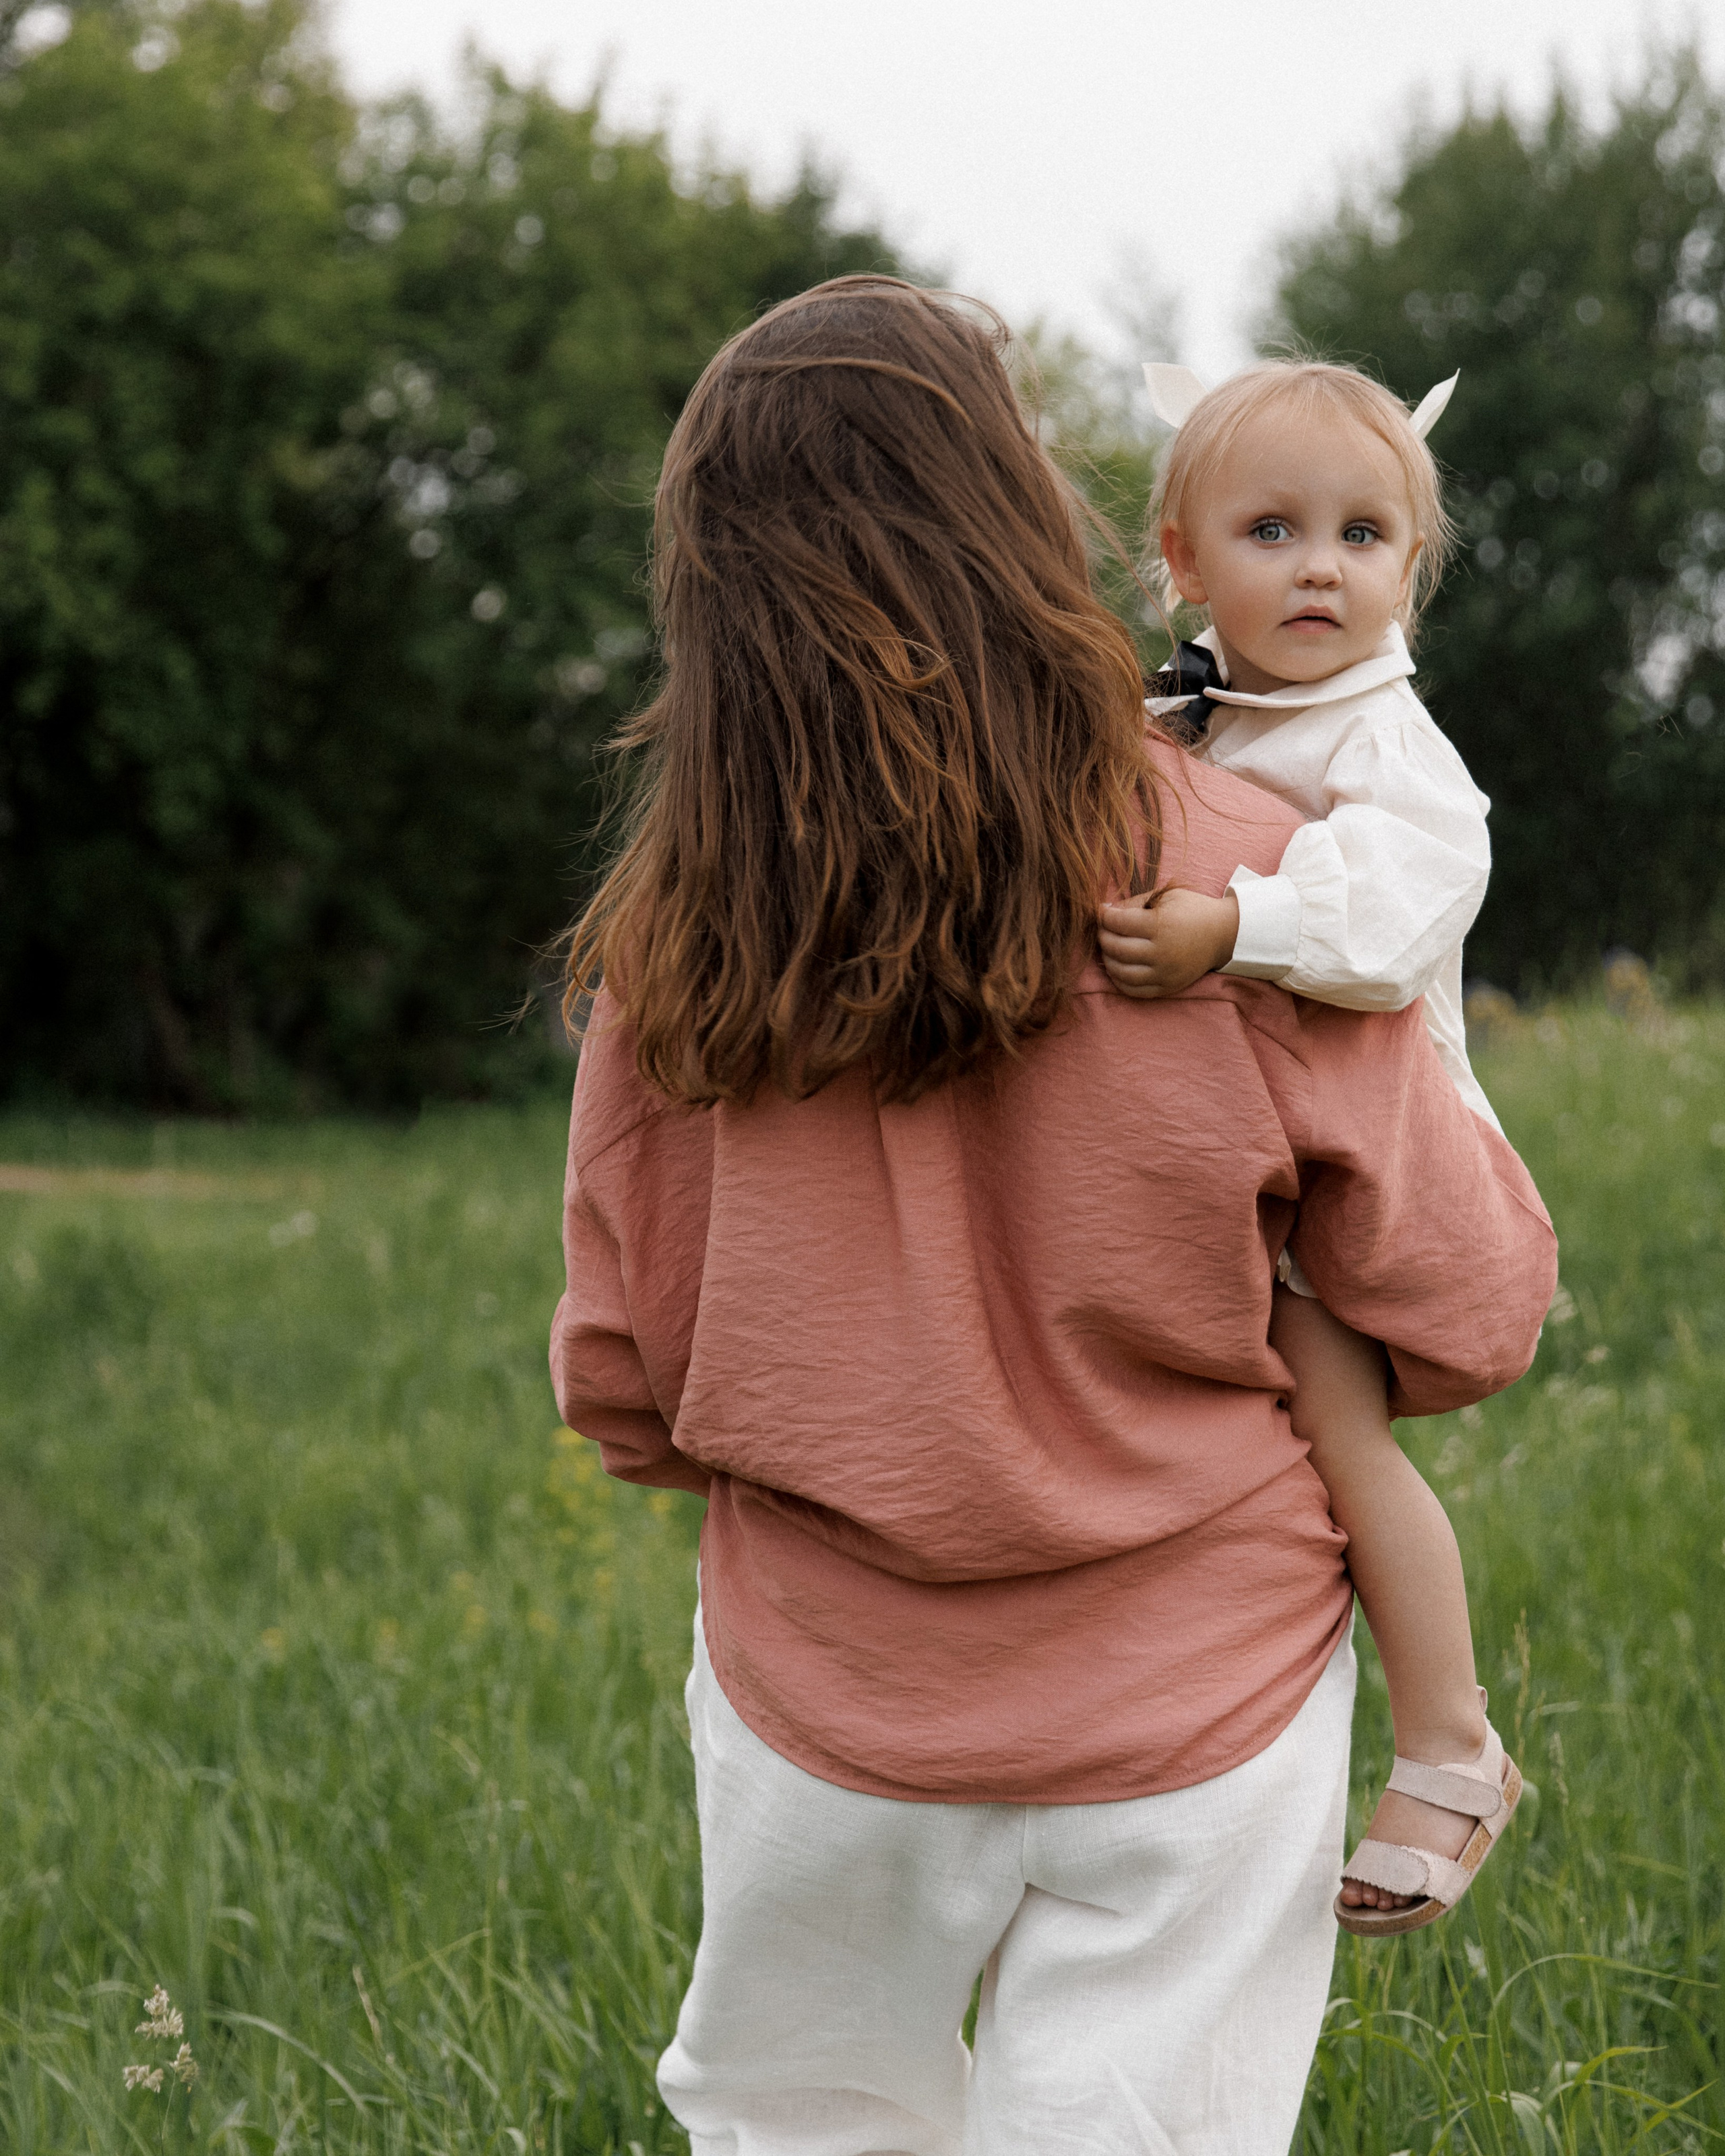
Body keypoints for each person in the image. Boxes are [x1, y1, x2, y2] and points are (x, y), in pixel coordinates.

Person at [550, 278, 1557, 2155]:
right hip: (1202, 1684)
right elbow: (1470, 1307)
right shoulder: (1249, 877)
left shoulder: (675, 941)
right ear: (1033, 522)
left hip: (824, 1697)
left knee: (800, 2120)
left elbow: (625, 1374)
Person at [1096, 358, 1524, 1935]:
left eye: (1363, 535)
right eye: (1271, 529)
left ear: (1407, 569)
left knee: (1344, 1445)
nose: (1321, 568)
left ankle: (1452, 1742)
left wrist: (1235, 923)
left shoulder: (1382, 743)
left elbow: (1397, 909)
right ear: (1183, 561)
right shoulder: (1179, 719)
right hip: (1237, 1166)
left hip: (1370, 1177)